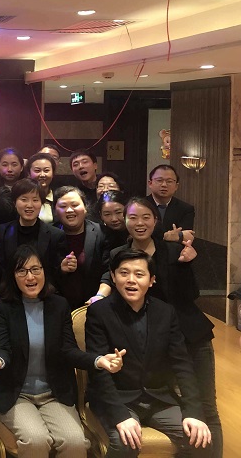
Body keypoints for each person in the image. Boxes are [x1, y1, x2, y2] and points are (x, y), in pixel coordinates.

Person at [0, 244, 124, 458]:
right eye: (22, 271)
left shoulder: (59, 305)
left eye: (35, 269)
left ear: (45, 271)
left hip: (54, 393)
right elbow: (3, 348)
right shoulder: (3, 308)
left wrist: (98, 360)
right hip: (15, 393)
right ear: (13, 276)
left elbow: (69, 350)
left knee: (75, 442)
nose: (30, 276)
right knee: (36, 440)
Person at [110, 197, 221, 455]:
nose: (139, 223)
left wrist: (188, 264)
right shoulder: (118, 254)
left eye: (146, 217)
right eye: (133, 217)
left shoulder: (173, 249)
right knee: (175, 402)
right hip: (153, 341)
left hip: (189, 335)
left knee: (205, 407)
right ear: (125, 221)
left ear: (156, 221)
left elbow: (191, 295)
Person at [86, 248, 212, 457]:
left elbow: (182, 364)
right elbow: (98, 371)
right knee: (126, 443)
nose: (131, 280)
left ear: (152, 280)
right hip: (118, 399)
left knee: (200, 440)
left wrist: (193, 412)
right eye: (124, 273)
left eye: (139, 274)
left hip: (158, 399)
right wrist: (120, 415)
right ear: (113, 277)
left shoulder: (165, 312)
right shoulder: (99, 312)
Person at [0, 179, 67, 281]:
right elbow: (0, 269)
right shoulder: (2, 231)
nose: (29, 205)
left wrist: (63, 269)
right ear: (14, 202)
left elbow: (55, 272)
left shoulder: (55, 235)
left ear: (41, 203)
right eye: (24, 199)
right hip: (10, 288)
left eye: (35, 200)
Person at [53, 186, 107, 309]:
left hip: (96, 304)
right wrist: (61, 270)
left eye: (75, 205)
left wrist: (100, 295)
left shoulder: (102, 233)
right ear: (55, 211)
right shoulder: (49, 234)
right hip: (59, 307)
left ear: (85, 208)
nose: (69, 210)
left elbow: (108, 270)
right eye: (63, 206)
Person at [146, 164, 195, 243]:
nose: (164, 185)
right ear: (150, 183)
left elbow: (187, 238)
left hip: (173, 250)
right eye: (159, 180)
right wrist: (166, 236)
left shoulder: (186, 209)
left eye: (169, 181)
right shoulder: (139, 206)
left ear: (176, 186)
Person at [24, 153, 57, 224]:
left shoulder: (59, 197)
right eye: (37, 171)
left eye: (46, 170)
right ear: (29, 173)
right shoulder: (22, 197)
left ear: (53, 173)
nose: (42, 175)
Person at [96, 190, 129, 258]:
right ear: (101, 215)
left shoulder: (136, 232)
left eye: (118, 212)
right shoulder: (98, 236)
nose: (114, 219)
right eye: (107, 214)